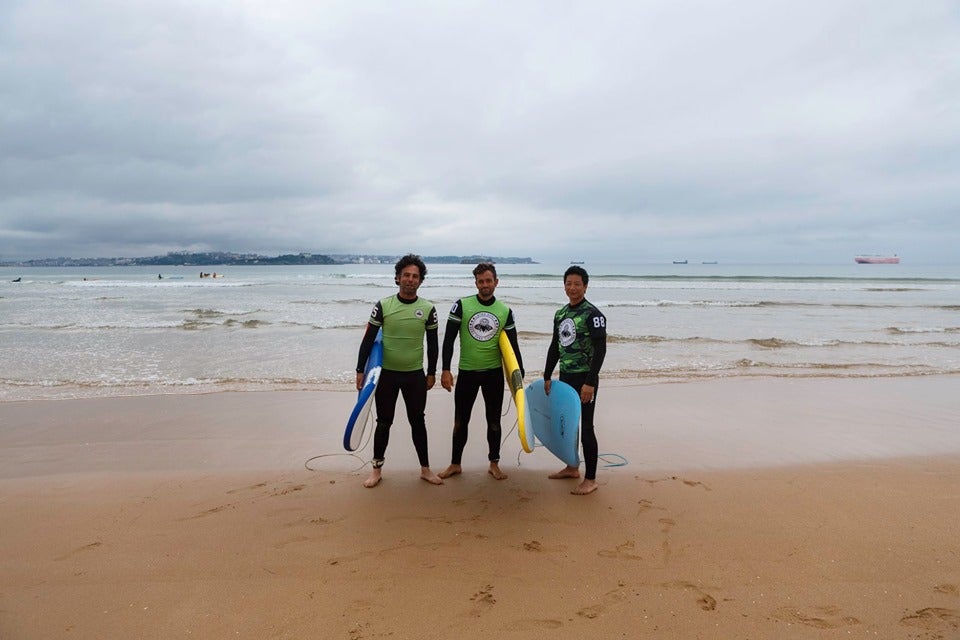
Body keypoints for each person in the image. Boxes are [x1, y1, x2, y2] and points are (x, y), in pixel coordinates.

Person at [355, 254, 443, 488]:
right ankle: (376, 470)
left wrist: (432, 372)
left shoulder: (428, 309)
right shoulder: (383, 306)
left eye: (415, 276)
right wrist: (360, 371)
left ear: (420, 281)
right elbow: (369, 340)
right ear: (397, 278)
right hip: (387, 376)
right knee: (384, 422)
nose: (410, 279)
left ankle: (425, 469)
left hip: (415, 375)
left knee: (418, 421)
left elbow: (433, 344)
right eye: (406, 275)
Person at [438, 263, 524, 481]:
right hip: (467, 373)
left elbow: (512, 347)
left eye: (489, 280)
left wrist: (519, 376)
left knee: (494, 422)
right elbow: (448, 340)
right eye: (481, 281)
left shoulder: (505, 311)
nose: (485, 285)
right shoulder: (461, 305)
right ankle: (455, 463)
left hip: (493, 374)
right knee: (460, 422)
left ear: (496, 282)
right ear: (475, 283)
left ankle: (494, 463)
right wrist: (445, 370)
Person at [543, 265, 607, 495]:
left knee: (587, 427)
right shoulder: (561, 314)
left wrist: (590, 382)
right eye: (568, 283)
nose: (572, 288)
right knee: (569, 426)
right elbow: (555, 347)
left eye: (577, 284)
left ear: (585, 286)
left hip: (585, 378)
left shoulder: (593, 315)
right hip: (566, 377)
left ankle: (590, 479)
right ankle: (572, 467)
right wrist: (547, 375)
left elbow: (601, 351)